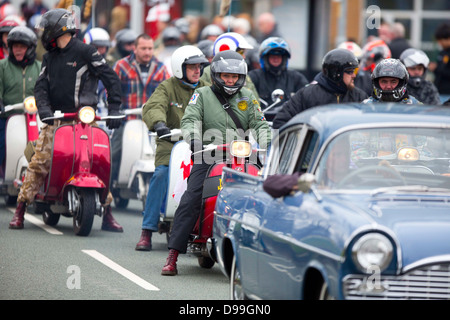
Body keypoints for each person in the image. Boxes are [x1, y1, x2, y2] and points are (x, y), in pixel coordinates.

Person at [9, 9, 123, 231]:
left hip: (85, 120)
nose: (44, 33)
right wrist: (44, 109)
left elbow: (110, 77)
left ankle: (107, 212)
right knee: (40, 159)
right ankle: (20, 209)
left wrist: (115, 106)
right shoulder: (49, 58)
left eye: (46, 28)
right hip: (57, 119)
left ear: (57, 28)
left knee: (99, 161)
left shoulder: (86, 52)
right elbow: (40, 87)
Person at [161, 50, 271, 276]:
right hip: (208, 154)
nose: (230, 81)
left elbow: (260, 124)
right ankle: (172, 256)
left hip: (242, 155)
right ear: (216, 76)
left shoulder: (248, 97)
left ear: (240, 78)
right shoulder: (201, 95)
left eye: (234, 77)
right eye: (225, 76)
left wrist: (267, 143)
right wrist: (195, 140)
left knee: (264, 196)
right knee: (191, 197)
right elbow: (190, 120)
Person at [135, 45, 209, 251]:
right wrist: (159, 124)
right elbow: (153, 106)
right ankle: (147, 230)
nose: (197, 71)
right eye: (192, 67)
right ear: (179, 68)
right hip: (171, 145)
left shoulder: (207, 88)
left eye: (199, 67)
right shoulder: (167, 87)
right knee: (160, 175)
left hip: (201, 147)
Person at [111, 33, 170, 196]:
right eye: (143, 48)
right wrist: (115, 109)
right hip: (126, 120)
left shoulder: (161, 68)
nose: (147, 52)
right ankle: (108, 190)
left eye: (150, 48)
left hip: (152, 123)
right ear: (134, 49)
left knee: (165, 153)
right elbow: (110, 91)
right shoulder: (121, 66)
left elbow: (169, 94)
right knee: (113, 153)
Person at [272, 48, 368, 129]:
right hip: (316, 150)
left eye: (355, 71)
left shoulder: (360, 97)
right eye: (350, 71)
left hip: (350, 151)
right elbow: (280, 123)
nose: (354, 75)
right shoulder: (307, 95)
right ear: (336, 73)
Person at [0, 26, 41, 176]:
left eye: (22, 46)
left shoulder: (40, 67)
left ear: (30, 48)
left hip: (35, 117)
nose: (17, 49)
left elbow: (46, 90)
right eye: (15, 46)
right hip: (7, 116)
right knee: (1, 144)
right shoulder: (2, 67)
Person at [249, 37, 309, 109]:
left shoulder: (296, 77)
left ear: (284, 58)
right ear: (265, 58)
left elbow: (307, 99)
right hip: (261, 118)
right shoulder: (253, 77)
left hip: (289, 119)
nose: (276, 59)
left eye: (279, 56)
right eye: (272, 55)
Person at [201, 32, 260, 100]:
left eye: (234, 76)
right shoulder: (207, 73)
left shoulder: (242, 72)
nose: (244, 56)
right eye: (241, 52)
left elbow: (254, 101)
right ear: (226, 50)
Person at [433, 23, 450, 95]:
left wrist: (437, 68)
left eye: (441, 40)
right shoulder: (442, 52)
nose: (439, 43)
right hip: (439, 91)